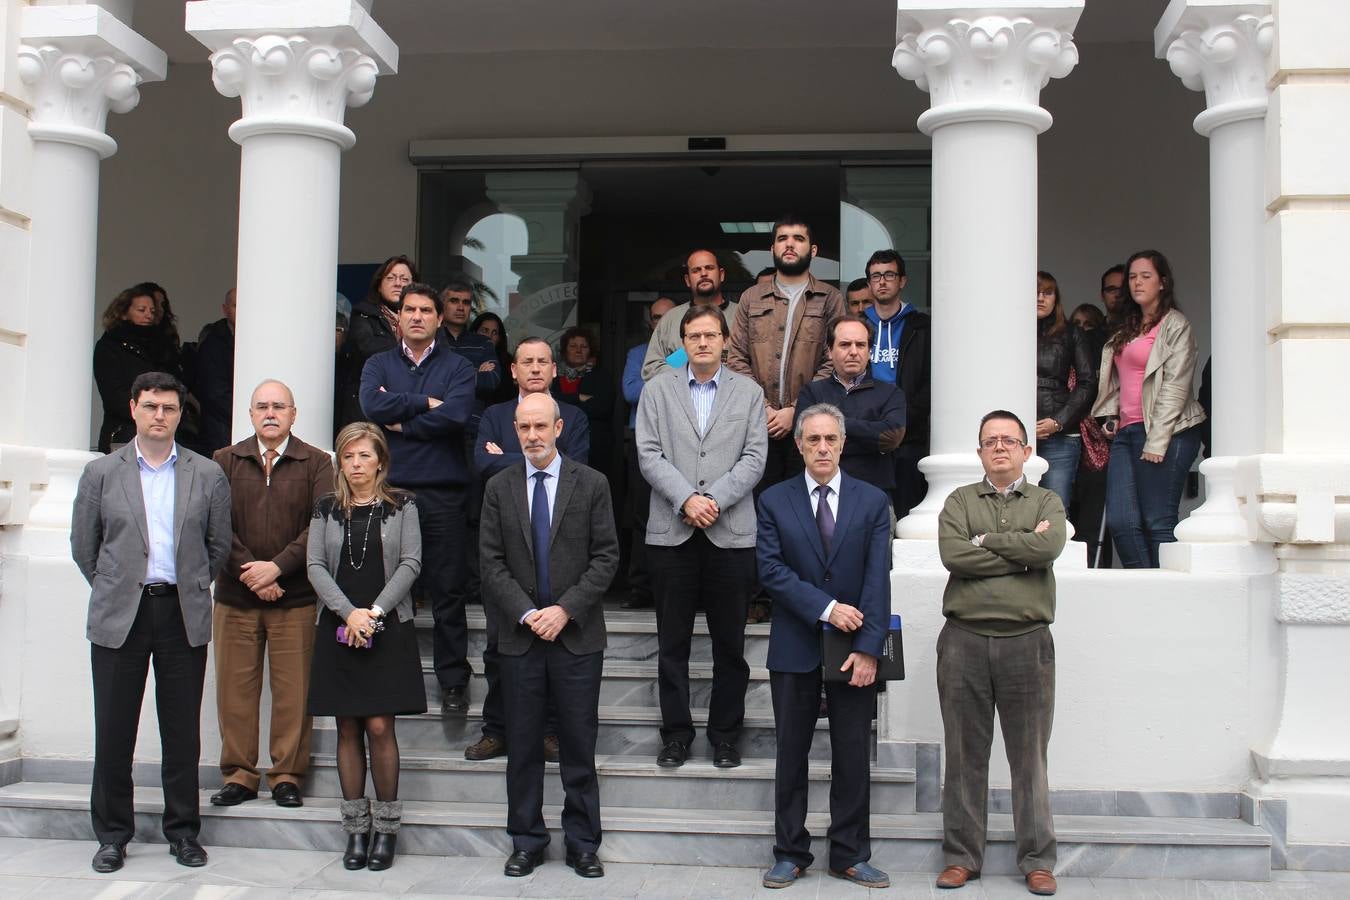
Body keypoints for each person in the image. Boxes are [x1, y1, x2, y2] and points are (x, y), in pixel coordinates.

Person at [71, 371, 232, 874]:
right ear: (133, 408)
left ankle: (183, 832)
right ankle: (112, 835)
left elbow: (218, 546)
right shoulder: (102, 473)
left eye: (169, 408)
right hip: (121, 612)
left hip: (181, 611)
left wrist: (188, 583)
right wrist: (115, 584)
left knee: (181, 730)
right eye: (151, 406)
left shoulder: (207, 474)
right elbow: (84, 545)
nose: (160, 415)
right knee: (114, 728)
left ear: (180, 414)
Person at [479, 393, 620, 879]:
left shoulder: (593, 484)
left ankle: (583, 843)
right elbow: (491, 563)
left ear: (559, 428)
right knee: (521, 747)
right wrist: (526, 612)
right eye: (524, 428)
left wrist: (564, 610)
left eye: (541, 426)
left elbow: (607, 557)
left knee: (579, 744)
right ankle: (527, 840)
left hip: (576, 636)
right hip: (520, 639)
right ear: (514, 431)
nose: (533, 436)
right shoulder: (499, 487)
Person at [756, 403, 892, 890]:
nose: (822, 447)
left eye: (830, 439)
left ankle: (850, 854)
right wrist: (827, 608)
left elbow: (878, 578)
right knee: (790, 752)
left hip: (854, 649)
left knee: (851, 754)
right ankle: (790, 851)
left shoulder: (873, 501)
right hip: (794, 646)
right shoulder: (774, 500)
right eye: (812, 440)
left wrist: (871, 646)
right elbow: (771, 571)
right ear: (798, 445)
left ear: (843, 441)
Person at [935, 410, 1065, 896]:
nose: (1000, 448)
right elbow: (954, 555)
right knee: (965, 754)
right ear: (980, 452)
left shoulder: (1047, 499)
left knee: (1029, 756)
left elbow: (1049, 546)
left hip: (1027, 642)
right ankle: (962, 857)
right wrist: (1020, 550)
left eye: (1009, 440)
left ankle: (1037, 859)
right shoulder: (960, 499)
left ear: (1027, 451)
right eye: (991, 441)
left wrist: (986, 541)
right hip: (964, 639)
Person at [637, 306, 767, 769]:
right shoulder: (657, 390)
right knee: (672, 644)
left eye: (711, 335)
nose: (703, 343)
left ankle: (725, 736)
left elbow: (755, 457)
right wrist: (687, 500)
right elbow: (648, 454)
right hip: (672, 534)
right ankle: (675, 735)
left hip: (729, 534)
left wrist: (712, 500)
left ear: (726, 339)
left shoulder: (749, 393)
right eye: (694, 336)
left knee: (729, 644)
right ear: (682, 343)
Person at [209, 380, 334, 811]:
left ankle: (286, 776)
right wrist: (253, 575)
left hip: (294, 597)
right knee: (235, 692)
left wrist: (277, 568)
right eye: (262, 405)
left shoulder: (317, 463)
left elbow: (320, 524)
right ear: (249, 413)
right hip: (234, 597)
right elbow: (216, 525)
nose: (270, 412)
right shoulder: (224, 460)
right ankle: (239, 775)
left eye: (279, 406)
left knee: (294, 693)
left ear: (293, 414)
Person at [306, 422, 425, 871]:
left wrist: (372, 613)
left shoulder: (404, 505)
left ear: (381, 461)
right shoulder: (325, 509)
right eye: (348, 456)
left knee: (379, 726)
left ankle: (387, 830)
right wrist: (348, 613)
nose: (356, 464)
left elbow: (411, 562)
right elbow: (315, 565)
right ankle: (356, 830)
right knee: (348, 728)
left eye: (364, 456)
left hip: (387, 624)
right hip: (338, 625)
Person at [465, 335, 589, 762]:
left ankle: (550, 731)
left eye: (542, 362)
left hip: (559, 556)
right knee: (500, 648)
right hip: (506, 555)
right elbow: (482, 464)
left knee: (556, 652)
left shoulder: (573, 415)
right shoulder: (494, 415)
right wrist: (535, 460)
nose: (535, 369)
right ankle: (497, 729)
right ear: (513, 370)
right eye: (526, 362)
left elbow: (576, 467)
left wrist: (514, 458)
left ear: (555, 370)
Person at [359, 283, 478, 714]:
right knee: (384, 588)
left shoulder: (460, 367)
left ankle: (452, 683)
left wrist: (404, 422)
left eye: (426, 310)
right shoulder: (378, 363)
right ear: (398, 317)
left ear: (439, 319)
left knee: (448, 590)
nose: (417, 316)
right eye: (409, 309)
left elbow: (457, 415)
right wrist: (423, 402)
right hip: (391, 493)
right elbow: (372, 406)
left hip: (444, 494)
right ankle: (381, 677)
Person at [1092, 250, 1206, 568]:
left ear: (1162, 282)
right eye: (1132, 276)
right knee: (1121, 523)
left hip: (1167, 432)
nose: (1137, 282)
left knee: (1158, 521)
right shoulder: (1126, 327)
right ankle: (1144, 589)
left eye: (1146, 276)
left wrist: (1158, 440)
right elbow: (1121, 380)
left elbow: (1175, 386)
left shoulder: (1175, 326)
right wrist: (1112, 415)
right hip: (1128, 432)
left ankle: (1165, 598)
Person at [728, 215, 844, 490]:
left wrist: (795, 410)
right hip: (757, 425)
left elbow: (833, 361)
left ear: (812, 250)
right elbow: (736, 358)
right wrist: (765, 408)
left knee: (804, 507)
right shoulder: (751, 297)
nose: (789, 245)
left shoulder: (830, 298)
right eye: (782, 239)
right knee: (759, 505)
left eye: (798, 239)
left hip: (809, 428)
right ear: (772, 249)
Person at [794, 315, 907, 494]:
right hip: (821, 496)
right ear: (829, 351)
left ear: (870, 351)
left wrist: (832, 425)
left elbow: (890, 438)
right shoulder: (811, 392)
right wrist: (870, 437)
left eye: (861, 345)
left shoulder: (891, 393)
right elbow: (805, 440)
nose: (853, 351)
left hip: (875, 495)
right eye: (845, 344)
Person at [862, 249, 932, 520]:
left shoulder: (922, 327)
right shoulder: (857, 326)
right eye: (876, 276)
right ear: (869, 283)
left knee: (906, 513)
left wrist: (904, 418)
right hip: (865, 434)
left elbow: (930, 382)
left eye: (889, 275)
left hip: (909, 434)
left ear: (902, 281)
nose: (882, 281)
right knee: (865, 515)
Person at [621, 297, 675, 609]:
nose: (660, 323)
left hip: (681, 442)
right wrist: (675, 367)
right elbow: (631, 392)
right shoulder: (637, 354)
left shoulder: (691, 352)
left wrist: (661, 373)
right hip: (643, 442)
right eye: (656, 318)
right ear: (649, 322)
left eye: (667, 318)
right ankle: (641, 589)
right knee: (643, 515)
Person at [1034, 271, 1097, 509]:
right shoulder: (1009, 331)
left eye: (1047, 293)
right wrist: (1020, 423)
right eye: (1035, 293)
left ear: (1056, 298)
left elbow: (1087, 382)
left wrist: (1058, 421)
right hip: (1016, 434)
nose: (1040, 298)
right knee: (1014, 510)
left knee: (1055, 510)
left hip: (1059, 434)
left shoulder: (1071, 333)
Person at [93, 287, 182, 453]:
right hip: (123, 434)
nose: (148, 315)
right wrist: (149, 413)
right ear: (123, 313)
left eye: (152, 310)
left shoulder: (163, 346)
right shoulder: (110, 346)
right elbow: (113, 395)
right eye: (141, 310)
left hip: (164, 434)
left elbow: (176, 384)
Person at [338, 255, 417, 429]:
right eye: (391, 278)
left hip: (411, 409)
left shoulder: (425, 317)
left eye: (404, 279)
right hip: (368, 412)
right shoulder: (363, 313)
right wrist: (412, 349)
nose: (398, 283)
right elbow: (366, 346)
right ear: (379, 285)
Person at [640, 250, 740, 380]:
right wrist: (689, 371)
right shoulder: (671, 319)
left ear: (721, 275)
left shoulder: (741, 315)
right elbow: (650, 369)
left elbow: (756, 366)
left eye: (709, 268)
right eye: (696, 270)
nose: (703, 273)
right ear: (687, 280)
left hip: (731, 397)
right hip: (679, 398)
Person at [1067, 303, 1112, 567]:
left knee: (1093, 523)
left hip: (1098, 449)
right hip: (1070, 443)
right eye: (1078, 325)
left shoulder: (1102, 364)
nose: (1083, 331)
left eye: (1089, 325)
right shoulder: (1065, 355)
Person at [551, 326, 615, 475]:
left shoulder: (601, 377)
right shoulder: (553, 376)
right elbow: (548, 401)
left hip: (593, 448)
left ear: (590, 351)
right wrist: (578, 397)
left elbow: (602, 408)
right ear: (564, 350)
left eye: (584, 346)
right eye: (573, 346)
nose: (578, 350)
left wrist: (563, 405)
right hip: (557, 445)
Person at [439, 275, 502, 414]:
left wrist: (446, 377)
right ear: (443, 305)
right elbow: (425, 380)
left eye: (466, 302)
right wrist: (475, 373)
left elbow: (491, 381)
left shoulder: (483, 342)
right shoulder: (430, 340)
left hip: (472, 426)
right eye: (454, 301)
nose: (461, 307)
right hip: (436, 422)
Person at [196, 288, 236, 453]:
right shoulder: (214, 343)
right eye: (236, 306)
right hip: (221, 428)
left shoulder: (266, 340)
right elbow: (215, 392)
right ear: (225, 309)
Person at [472, 311, 516, 405]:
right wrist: (480, 376)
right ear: (474, 332)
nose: (489, 337)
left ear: (500, 337)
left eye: (494, 333)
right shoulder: (466, 356)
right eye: (485, 331)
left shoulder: (508, 364)